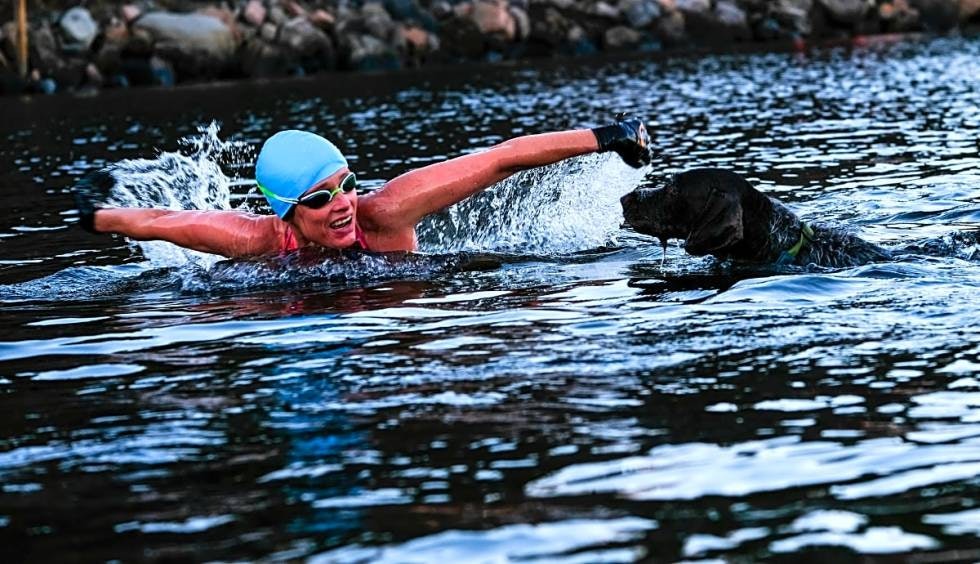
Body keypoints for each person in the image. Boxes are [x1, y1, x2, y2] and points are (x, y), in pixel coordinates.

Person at [74, 116, 651, 258]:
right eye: (321, 198)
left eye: (346, 185)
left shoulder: (386, 213)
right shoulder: (257, 241)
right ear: (286, 213)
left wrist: (606, 136)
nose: (343, 204)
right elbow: (161, 223)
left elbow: (497, 161)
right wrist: (96, 215)